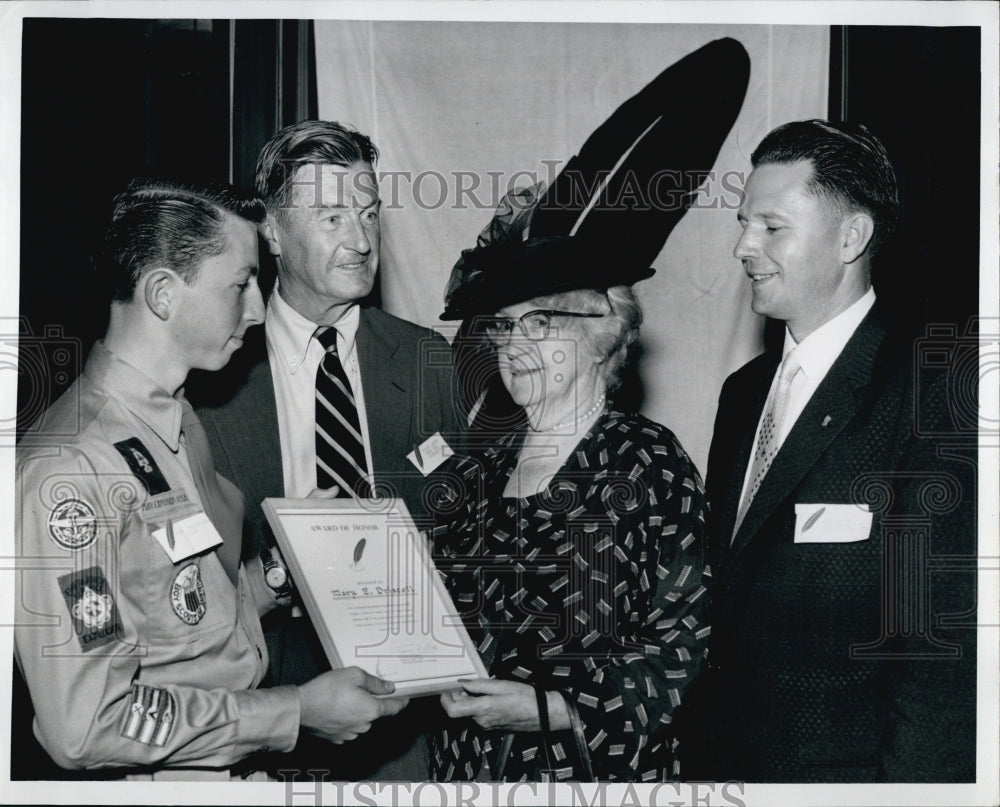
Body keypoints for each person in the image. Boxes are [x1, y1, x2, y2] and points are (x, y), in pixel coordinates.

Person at [13, 179, 407, 780]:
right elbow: (89, 721)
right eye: (242, 283)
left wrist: (277, 573)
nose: (257, 308)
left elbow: (181, 612)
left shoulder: (171, 424)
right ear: (164, 294)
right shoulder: (70, 472)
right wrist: (293, 711)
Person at [679, 120, 977, 782]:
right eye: (742, 222)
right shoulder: (743, 392)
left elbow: (942, 659)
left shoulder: (932, 393)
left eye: (771, 226)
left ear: (851, 237)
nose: (742, 247)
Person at [192, 120, 460, 780]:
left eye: (368, 213)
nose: (362, 240)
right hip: (261, 728)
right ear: (273, 232)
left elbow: (463, 524)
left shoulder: (428, 359)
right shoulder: (209, 378)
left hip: (406, 734)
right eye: (333, 215)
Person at [430, 233, 710, 781]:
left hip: (596, 773)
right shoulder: (477, 471)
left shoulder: (647, 463)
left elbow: (681, 651)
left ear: (600, 336)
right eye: (505, 324)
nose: (511, 343)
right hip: (467, 771)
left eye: (537, 323)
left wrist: (550, 711)